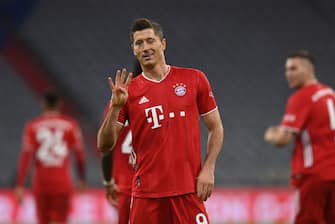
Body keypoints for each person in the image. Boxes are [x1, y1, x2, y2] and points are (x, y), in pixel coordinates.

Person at [97, 18, 224, 223]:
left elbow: (216, 127)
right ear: (133, 50)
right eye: (139, 43)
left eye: (150, 41)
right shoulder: (129, 92)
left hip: (187, 191)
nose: (145, 47)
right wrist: (116, 108)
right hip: (146, 196)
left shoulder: (194, 79)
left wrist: (209, 168)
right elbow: (104, 145)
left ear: (162, 44)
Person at [264, 50, 335, 223]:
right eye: (287, 69)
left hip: (314, 175)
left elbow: (283, 139)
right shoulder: (330, 94)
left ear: (308, 69)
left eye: (293, 69)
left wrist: (271, 134)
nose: (288, 74)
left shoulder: (302, 97)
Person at [15, 91, 86, 224]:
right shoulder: (71, 125)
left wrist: (20, 185)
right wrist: (82, 179)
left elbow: (26, 157)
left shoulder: (32, 127)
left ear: (43, 105)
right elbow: (80, 156)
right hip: (62, 182)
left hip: (41, 184)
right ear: (59, 105)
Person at [101, 60, 141, 224]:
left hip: (124, 185)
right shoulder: (160, 100)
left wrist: (108, 181)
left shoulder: (117, 101)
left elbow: (106, 146)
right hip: (153, 184)